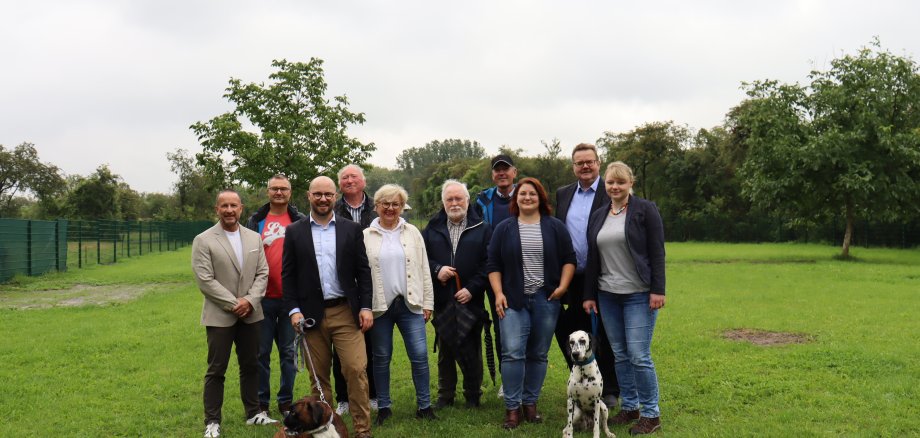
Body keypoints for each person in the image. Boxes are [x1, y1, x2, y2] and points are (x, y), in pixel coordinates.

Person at [282, 176, 374, 438]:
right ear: (308, 195)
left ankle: (362, 429)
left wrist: (365, 306)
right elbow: (288, 276)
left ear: (335, 197)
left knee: (355, 370)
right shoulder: (295, 231)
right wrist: (293, 310)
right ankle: (325, 430)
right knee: (319, 379)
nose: (323, 199)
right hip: (310, 316)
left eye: (328, 194)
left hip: (345, 311)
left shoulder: (351, 229)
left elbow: (363, 272)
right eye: (318, 194)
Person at [583, 161, 666, 435]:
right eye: (610, 182)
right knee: (620, 355)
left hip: (639, 295)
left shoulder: (645, 210)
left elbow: (657, 252)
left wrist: (658, 289)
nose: (614, 187)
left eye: (620, 182)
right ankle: (630, 407)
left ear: (630, 183)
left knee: (639, 355)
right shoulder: (599, 215)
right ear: (604, 185)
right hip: (608, 295)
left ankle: (651, 413)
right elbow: (592, 258)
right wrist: (589, 295)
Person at [486, 177, 576, 430]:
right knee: (512, 352)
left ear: (540, 198)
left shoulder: (555, 226)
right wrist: (498, 293)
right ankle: (512, 408)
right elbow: (492, 264)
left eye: (532, 194)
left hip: (546, 298)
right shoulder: (504, 228)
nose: (527, 198)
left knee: (538, 354)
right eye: (522, 194)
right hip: (513, 300)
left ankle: (530, 404)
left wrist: (563, 286)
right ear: (516, 199)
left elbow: (569, 259)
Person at [192, 190, 275, 438]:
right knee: (217, 369)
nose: (229, 210)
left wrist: (249, 301)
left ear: (241, 208)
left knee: (251, 365)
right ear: (217, 209)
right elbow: (205, 280)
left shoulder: (254, 238)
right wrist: (234, 303)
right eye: (224, 205)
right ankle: (212, 422)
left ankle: (253, 413)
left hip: (251, 314)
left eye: (234, 205)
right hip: (220, 316)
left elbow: (263, 273)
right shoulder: (204, 240)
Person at [363, 184, 437, 425]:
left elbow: (424, 267)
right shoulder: (365, 236)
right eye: (385, 203)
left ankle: (424, 406)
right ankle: (384, 407)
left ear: (402, 207)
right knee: (381, 357)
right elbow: (361, 274)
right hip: (380, 306)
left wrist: (428, 302)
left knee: (419, 356)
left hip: (410, 304)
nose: (390, 208)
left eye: (396, 204)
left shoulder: (412, 232)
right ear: (377, 206)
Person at [553, 144, 620, 408]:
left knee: (605, 331)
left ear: (598, 163)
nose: (585, 166)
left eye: (589, 162)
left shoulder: (610, 190)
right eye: (579, 163)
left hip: (604, 275)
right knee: (567, 328)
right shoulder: (563, 194)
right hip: (572, 277)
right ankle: (582, 376)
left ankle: (611, 388)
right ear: (573, 166)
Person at [422, 180, 492, 409]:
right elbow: (422, 259)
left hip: (471, 299)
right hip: (442, 298)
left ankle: (473, 394)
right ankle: (445, 395)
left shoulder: (482, 228)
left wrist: (472, 289)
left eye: (458, 198)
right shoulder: (431, 229)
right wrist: (436, 270)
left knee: (472, 348)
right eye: (449, 199)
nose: (454, 203)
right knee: (446, 350)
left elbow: (488, 264)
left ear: (467, 200)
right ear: (443, 203)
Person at [244, 174, 307, 419]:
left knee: (288, 354)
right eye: (274, 189)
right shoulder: (255, 220)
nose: (279, 193)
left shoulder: (299, 220)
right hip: (262, 299)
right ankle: (261, 402)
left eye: (283, 189)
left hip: (291, 300)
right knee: (261, 354)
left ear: (290, 192)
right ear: (267, 191)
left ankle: (285, 401)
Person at [330, 164, 378, 415]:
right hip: (343, 285)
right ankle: (343, 398)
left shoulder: (377, 207)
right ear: (339, 184)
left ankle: (373, 394)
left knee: (371, 342)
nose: (349, 180)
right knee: (341, 346)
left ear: (363, 181)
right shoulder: (333, 210)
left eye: (354, 176)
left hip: (373, 282)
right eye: (344, 177)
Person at [475, 154, 517, 397]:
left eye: (506, 169)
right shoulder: (483, 200)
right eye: (497, 170)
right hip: (496, 273)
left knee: (526, 328)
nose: (502, 173)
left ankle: (527, 378)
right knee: (502, 327)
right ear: (493, 175)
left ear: (514, 172)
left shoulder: (527, 193)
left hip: (526, 272)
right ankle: (507, 379)